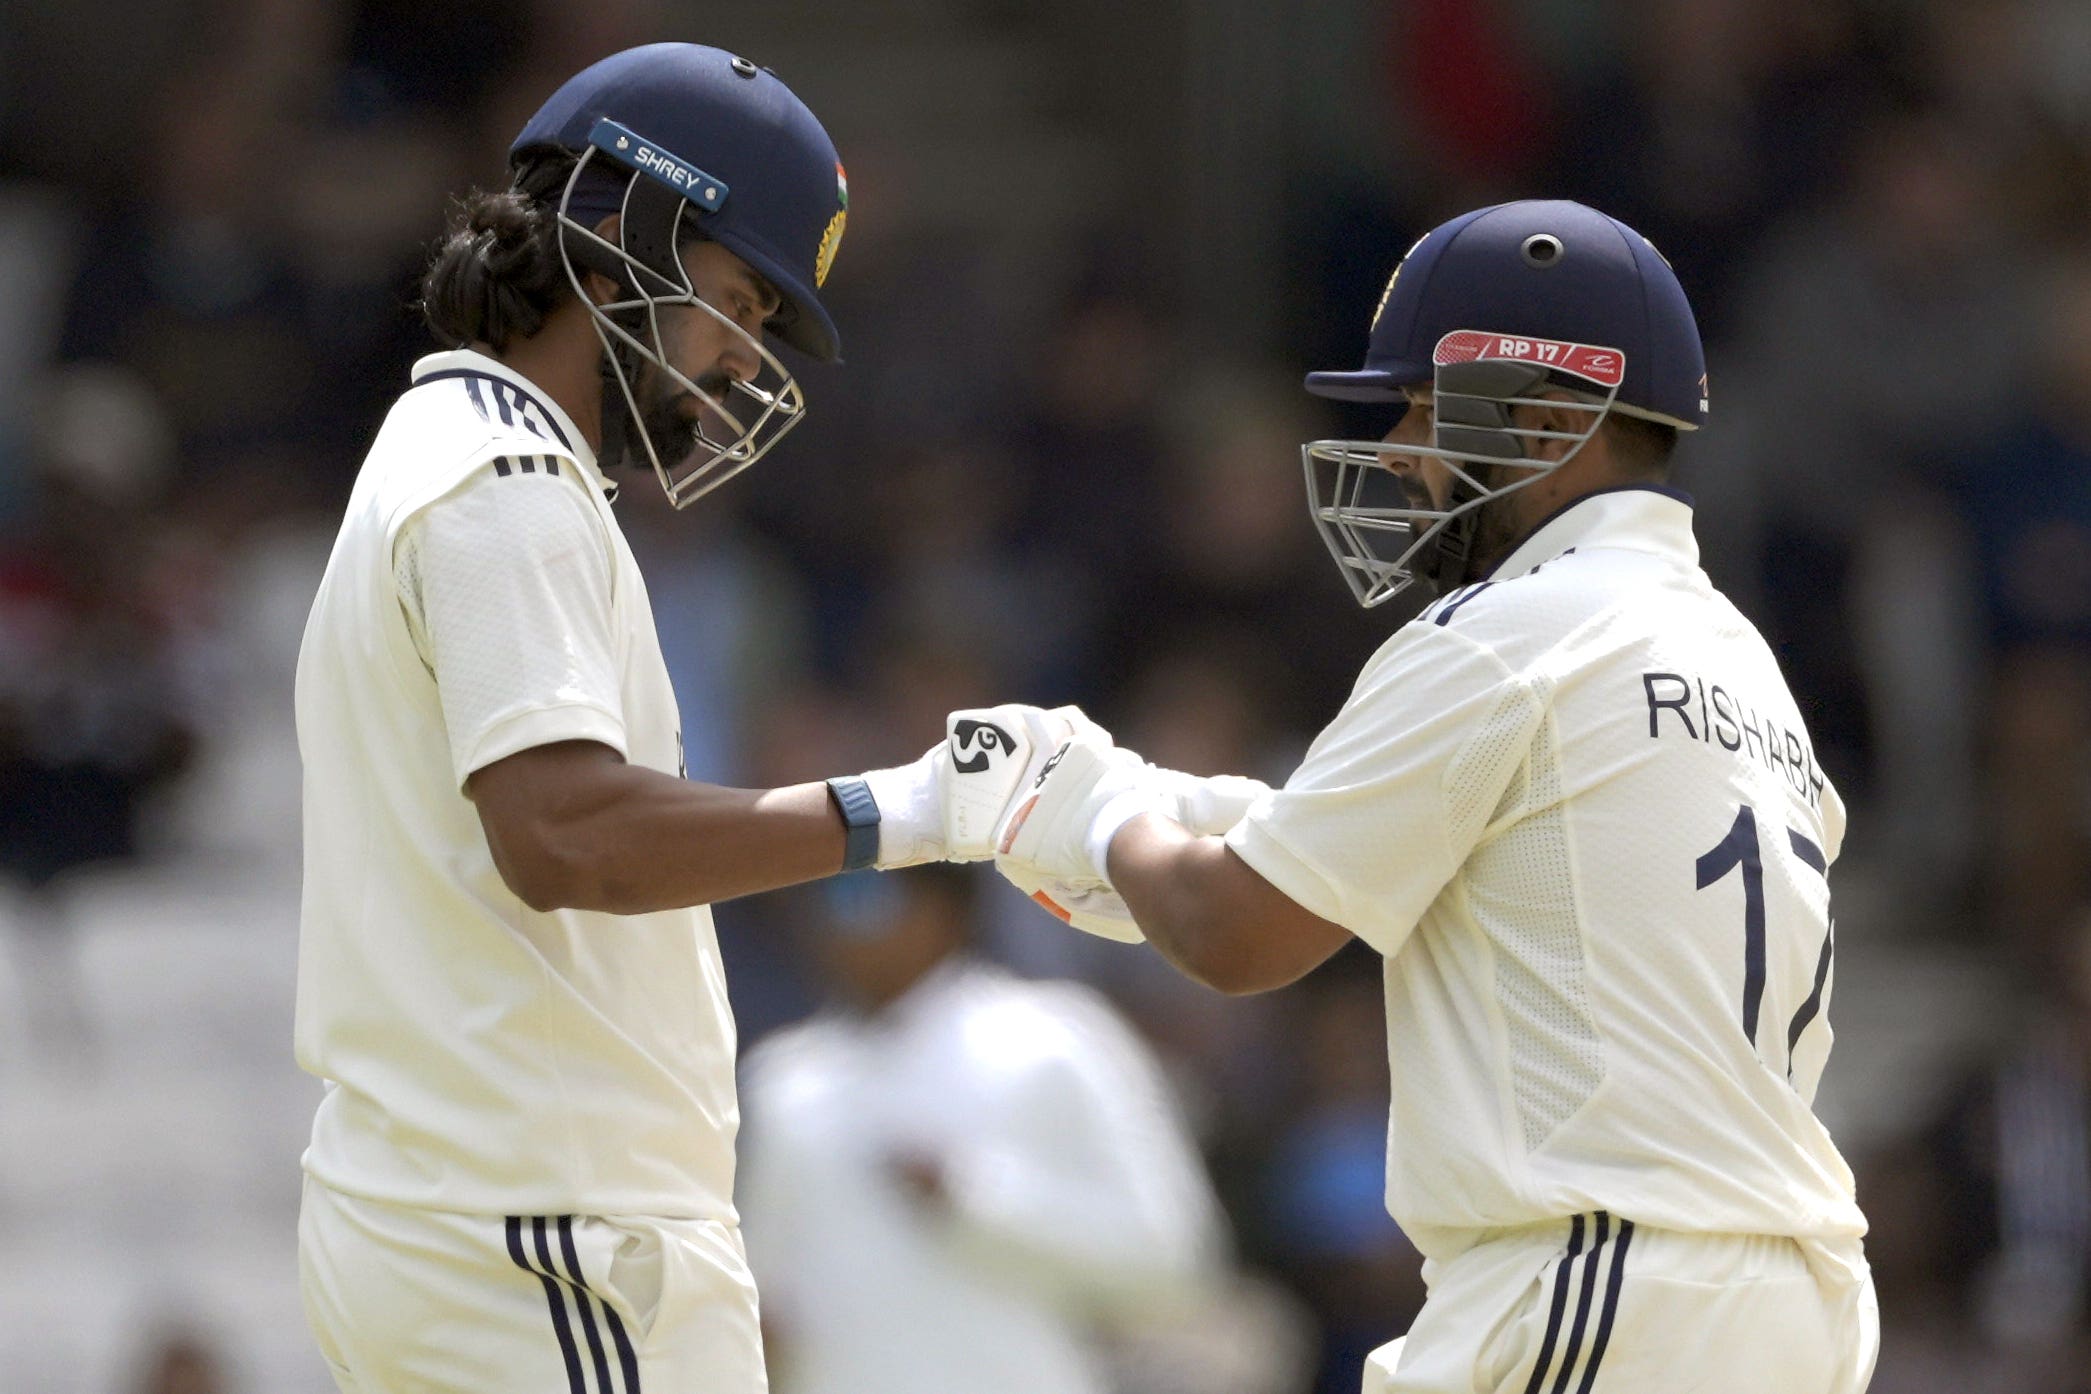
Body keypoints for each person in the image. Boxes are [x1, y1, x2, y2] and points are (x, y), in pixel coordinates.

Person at [290, 42, 1164, 1393]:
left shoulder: (458, 452)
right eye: (739, 300)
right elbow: (566, 834)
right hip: (540, 1227)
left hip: (487, 1216)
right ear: (615, 240)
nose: (741, 358)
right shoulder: (505, 474)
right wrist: (912, 808)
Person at [984, 200, 1878, 1393]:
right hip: (1784, 1298)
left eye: (1424, 407)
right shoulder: (1742, 662)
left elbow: (1234, 932)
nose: (1400, 449)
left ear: (1553, 419)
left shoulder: (1510, 630)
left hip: (1605, 1273)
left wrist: (1088, 806)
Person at [737, 865, 1223, 1394]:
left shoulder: (1055, 1044)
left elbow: (1174, 1262)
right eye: (829, 896)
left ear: (948, 908)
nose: (843, 923)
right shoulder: (783, 1082)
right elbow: (760, 1290)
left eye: (867, 894)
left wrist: (972, 1200)